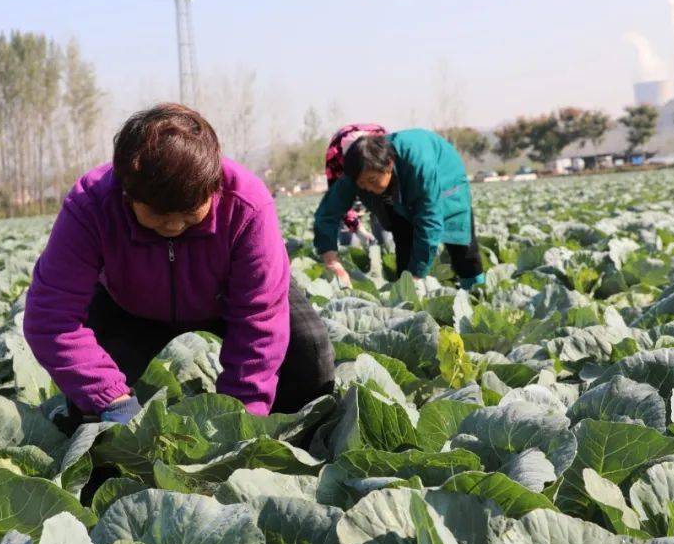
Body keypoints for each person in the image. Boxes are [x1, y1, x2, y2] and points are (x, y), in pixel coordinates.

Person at [24, 103, 335, 425]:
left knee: (309, 351)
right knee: (85, 410)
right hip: (130, 304)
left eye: (189, 214)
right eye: (157, 215)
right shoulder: (91, 204)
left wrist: (238, 421)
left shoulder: (247, 205)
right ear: (127, 193)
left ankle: (298, 447)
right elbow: (51, 317)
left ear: (213, 188)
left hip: (226, 301)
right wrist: (111, 399)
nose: (173, 226)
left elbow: (259, 320)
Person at [314, 129, 485, 289]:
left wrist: (417, 275)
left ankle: (475, 291)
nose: (368, 188)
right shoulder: (358, 172)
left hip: (445, 178)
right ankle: (410, 300)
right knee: (404, 242)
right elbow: (328, 213)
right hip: (397, 189)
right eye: (362, 185)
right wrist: (331, 261)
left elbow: (429, 221)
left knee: (462, 249)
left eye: (372, 180)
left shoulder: (418, 163)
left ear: (388, 164)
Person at [325, 123, 391, 249]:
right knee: (348, 237)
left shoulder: (385, 142)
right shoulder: (334, 155)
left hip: (379, 180)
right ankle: (349, 254)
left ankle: (387, 252)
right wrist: (359, 229)